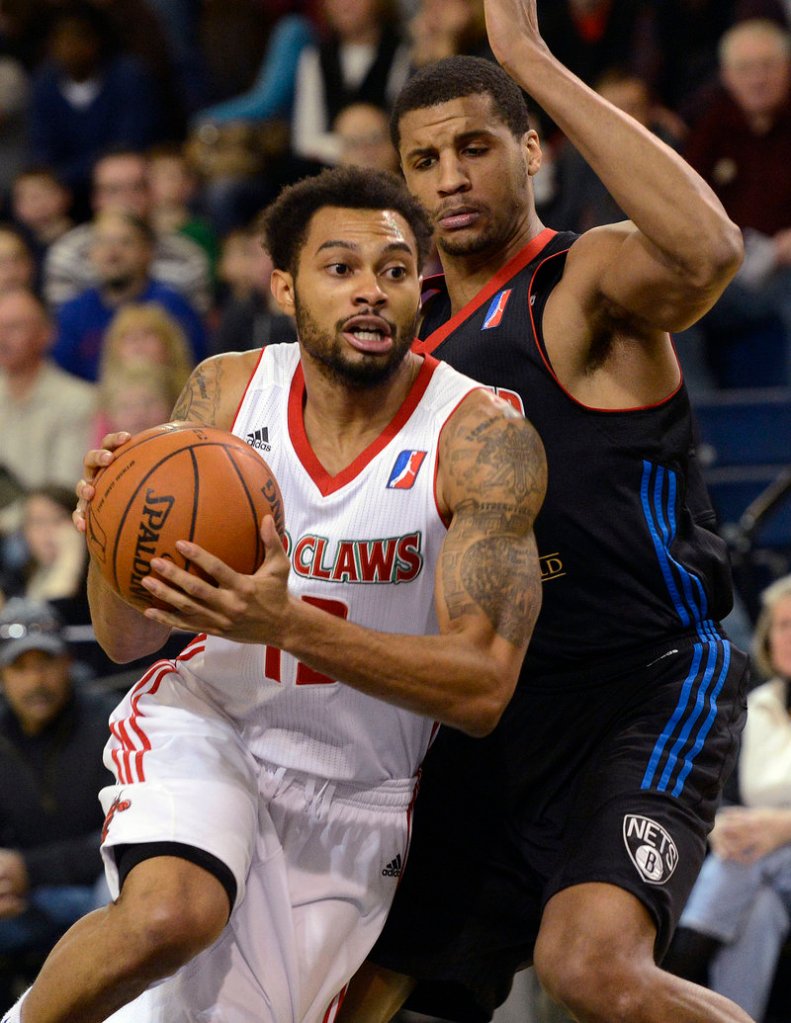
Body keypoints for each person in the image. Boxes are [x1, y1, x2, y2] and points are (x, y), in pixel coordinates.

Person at [1, 164, 546, 1023]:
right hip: (210, 723)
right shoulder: (224, 390)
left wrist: (284, 621)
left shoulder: (480, 437)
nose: (371, 290)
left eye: (395, 270)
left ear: (421, 289)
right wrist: (113, 533)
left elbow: (481, 690)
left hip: (356, 796)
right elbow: (124, 639)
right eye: (340, 268)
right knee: (169, 913)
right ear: (285, 286)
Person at [335, 3, 753, 1022]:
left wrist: (528, 61)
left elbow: (706, 251)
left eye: (475, 147)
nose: (448, 178)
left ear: (529, 149)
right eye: (423, 159)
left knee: (591, 971)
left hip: (640, 683)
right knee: (357, 989)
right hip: (490, 712)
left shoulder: (579, 278)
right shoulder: (404, 342)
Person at [664, 574, 791, 1022]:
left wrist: (782, 828)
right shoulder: (754, 707)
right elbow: (719, 795)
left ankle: (671, 968)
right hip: (761, 871)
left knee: (746, 862)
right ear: (767, 638)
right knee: (758, 913)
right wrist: (721, 829)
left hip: (776, 857)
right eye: (783, 626)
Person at [0, 598, 115, 1013]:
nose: (36, 680)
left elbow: (119, 838)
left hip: (94, 893)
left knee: (119, 892)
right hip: (22, 903)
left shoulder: (109, 724)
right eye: (20, 667)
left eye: (45, 663)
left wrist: (30, 870)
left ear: (67, 662)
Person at [682, 18, 791, 388]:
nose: (757, 79)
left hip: (785, 269)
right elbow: (684, 206)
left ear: (787, 69)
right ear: (727, 76)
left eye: (767, 67)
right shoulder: (711, 129)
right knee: (674, 295)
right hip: (728, 270)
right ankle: (700, 425)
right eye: (746, 69)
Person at [42, 148, 211, 314]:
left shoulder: (187, 256)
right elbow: (68, 331)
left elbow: (194, 333)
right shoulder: (67, 255)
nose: (125, 199)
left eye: (136, 187)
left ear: (152, 193)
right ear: (96, 199)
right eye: (113, 190)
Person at [51, 209, 207, 382]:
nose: (112, 253)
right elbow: (62, 376)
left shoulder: (172, 307)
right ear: (92, 253)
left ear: (147, 252)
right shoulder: (73, 312)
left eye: (125, 243)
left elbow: (194, 371)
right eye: (102, 243)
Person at [0, 287, 96, 495]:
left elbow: (64, 492)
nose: (2, 337)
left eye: (14, 327)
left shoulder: (78, 401)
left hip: (46, 522)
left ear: (46, 334)